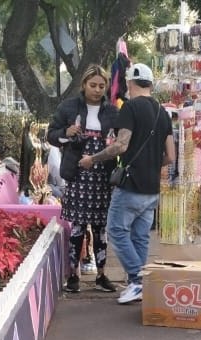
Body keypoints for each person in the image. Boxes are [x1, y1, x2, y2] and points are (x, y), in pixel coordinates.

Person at [83, 62, 175, 305]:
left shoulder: (130, 108)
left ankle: (137, 280)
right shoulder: (162, 112)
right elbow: (171, 156)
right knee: (140, 236)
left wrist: (93, 159)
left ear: (130, 83)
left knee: (116, 230)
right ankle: (138, 284)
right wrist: (152, 164)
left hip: (131, 185)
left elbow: (121, 145)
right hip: (152, 188)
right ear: (151, 84)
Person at [48, 64, 121, 293]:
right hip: (78, 174)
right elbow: (51, 135)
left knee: (100, 228)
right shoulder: (68, 107)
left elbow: (120, 140)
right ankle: (73, 276)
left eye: (101, 86)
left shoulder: (112, 112)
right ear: (84, 85)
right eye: (93, 85)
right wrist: (65, 134)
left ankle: (101, 274)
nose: (97, 90)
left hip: (102, 176)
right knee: (78, 227)